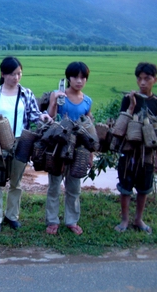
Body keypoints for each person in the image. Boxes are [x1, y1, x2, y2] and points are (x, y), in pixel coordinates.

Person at [0, 57, 51, 232]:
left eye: (19, 73)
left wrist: (42, 116)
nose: (16, 77)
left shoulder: (26, 93)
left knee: (16, 182)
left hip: (21, 142)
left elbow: (32, 115)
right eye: (12, 74)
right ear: (3, 74)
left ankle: (11, 216)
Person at [114, 62, 157, 234]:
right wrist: (131, 107)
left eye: (147, 79)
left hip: (148, 152)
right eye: (139, 79)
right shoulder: (128, 98)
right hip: (128, 150)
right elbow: (121, 125)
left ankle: (138, 219)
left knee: (144, 187)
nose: (142, 82)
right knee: (125, 186)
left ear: (154, 80)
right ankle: (125, 220)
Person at [46, 61, 92, 235]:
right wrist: (53, 102)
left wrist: (90, 154)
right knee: (54, 186)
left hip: (78, 149)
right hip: (58, 146)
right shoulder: (60, 96)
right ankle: (52, 221)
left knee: (74, 187)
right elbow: (50, 117)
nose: (79, 80)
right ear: (68, 78)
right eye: (75, 77)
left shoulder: (87, 101)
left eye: (83, 77)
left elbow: (88, 129)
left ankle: (71, 220)